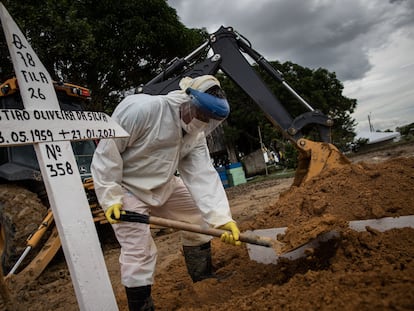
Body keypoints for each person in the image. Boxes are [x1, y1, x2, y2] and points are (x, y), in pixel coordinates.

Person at [91, 75, 241, 311]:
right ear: (188, 101)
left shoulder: (195, 135)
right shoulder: (142, 110)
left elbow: (202, 175)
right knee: (139, 250)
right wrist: (110, 198)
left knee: (198, 215)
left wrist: (222, 218)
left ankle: (203, 279)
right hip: (127, 188)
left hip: (164, 185)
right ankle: (141, 307)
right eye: (202, 115)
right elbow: (106, 154)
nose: (203, 122)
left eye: (209, 119)